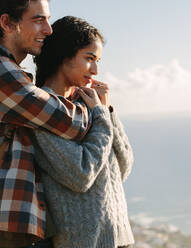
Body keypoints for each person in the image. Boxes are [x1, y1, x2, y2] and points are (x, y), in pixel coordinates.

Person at [0, 1, 104, 247]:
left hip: (25, 218)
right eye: (39, 20)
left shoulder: (9, 71)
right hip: (14, 221)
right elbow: (69, 122)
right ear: (8, 23)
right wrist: (98, 109)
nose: (49, 30)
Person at [33, 16, 135, 248]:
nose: (96, 70)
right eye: (89, 59)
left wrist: (107, 111)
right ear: (63, 55)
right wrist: (100, 116)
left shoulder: (88, 105)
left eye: (97, 60)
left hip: (120, 239)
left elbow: (124, 166)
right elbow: (80, 175)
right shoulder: (42, 110)